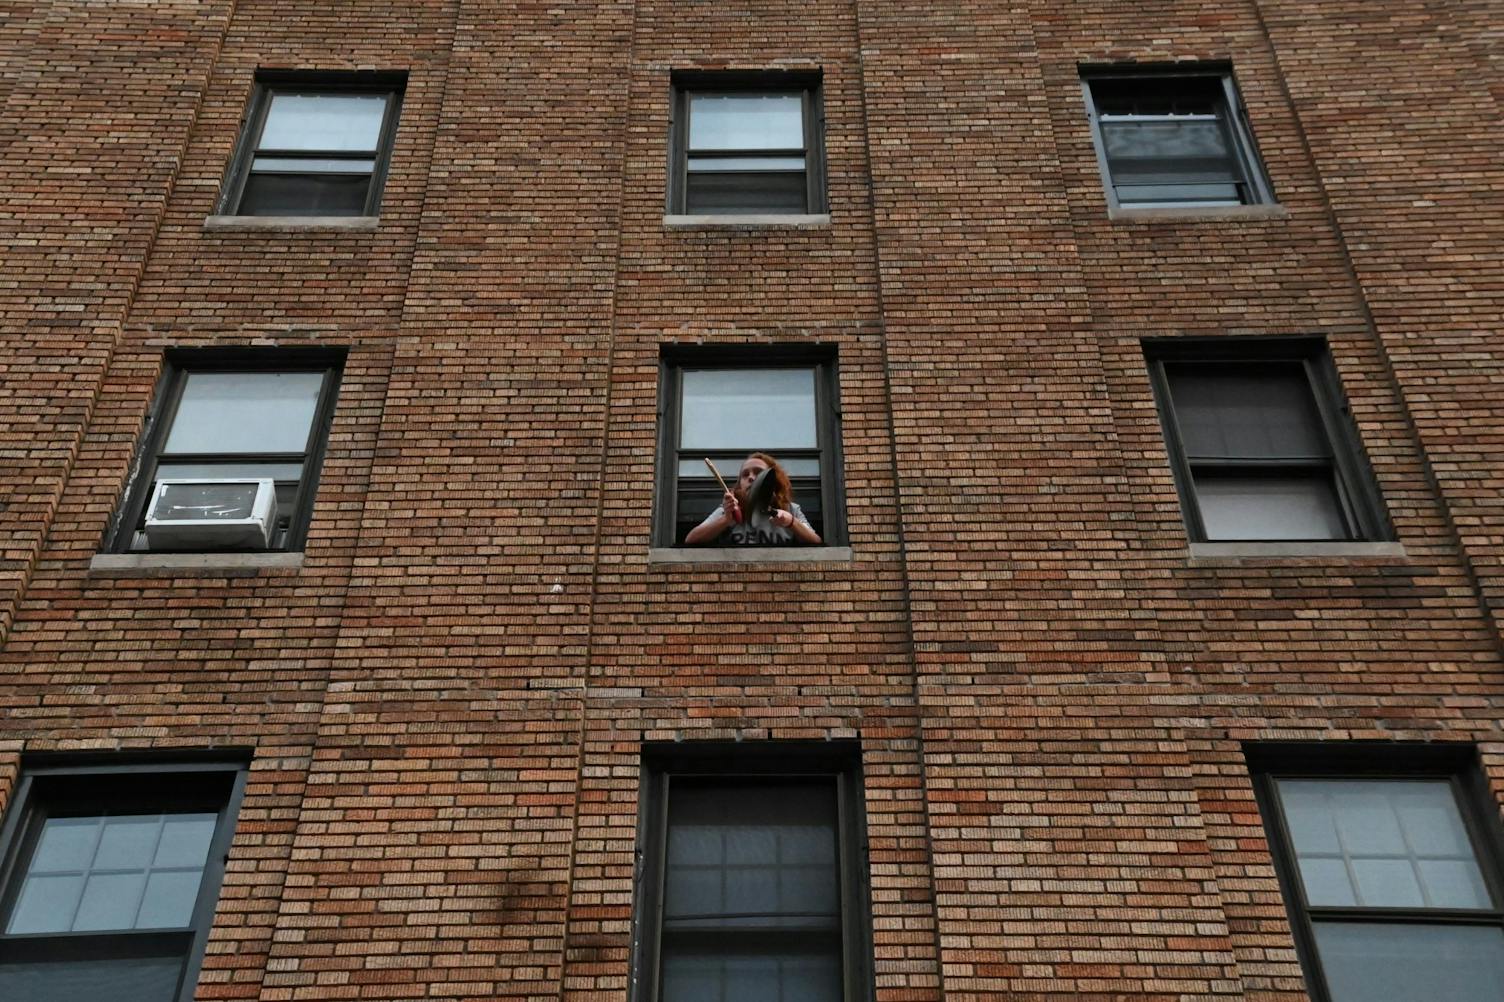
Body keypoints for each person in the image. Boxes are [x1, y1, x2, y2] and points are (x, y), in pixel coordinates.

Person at [685, 452, 822, 546]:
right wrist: (725, 520)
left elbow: (816, 542)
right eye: (745, 475)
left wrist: (791, 522)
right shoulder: (730, 509)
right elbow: (691, 540)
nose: (751, 477)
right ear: (740, 485)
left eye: (758, 472)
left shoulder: (791, 509)